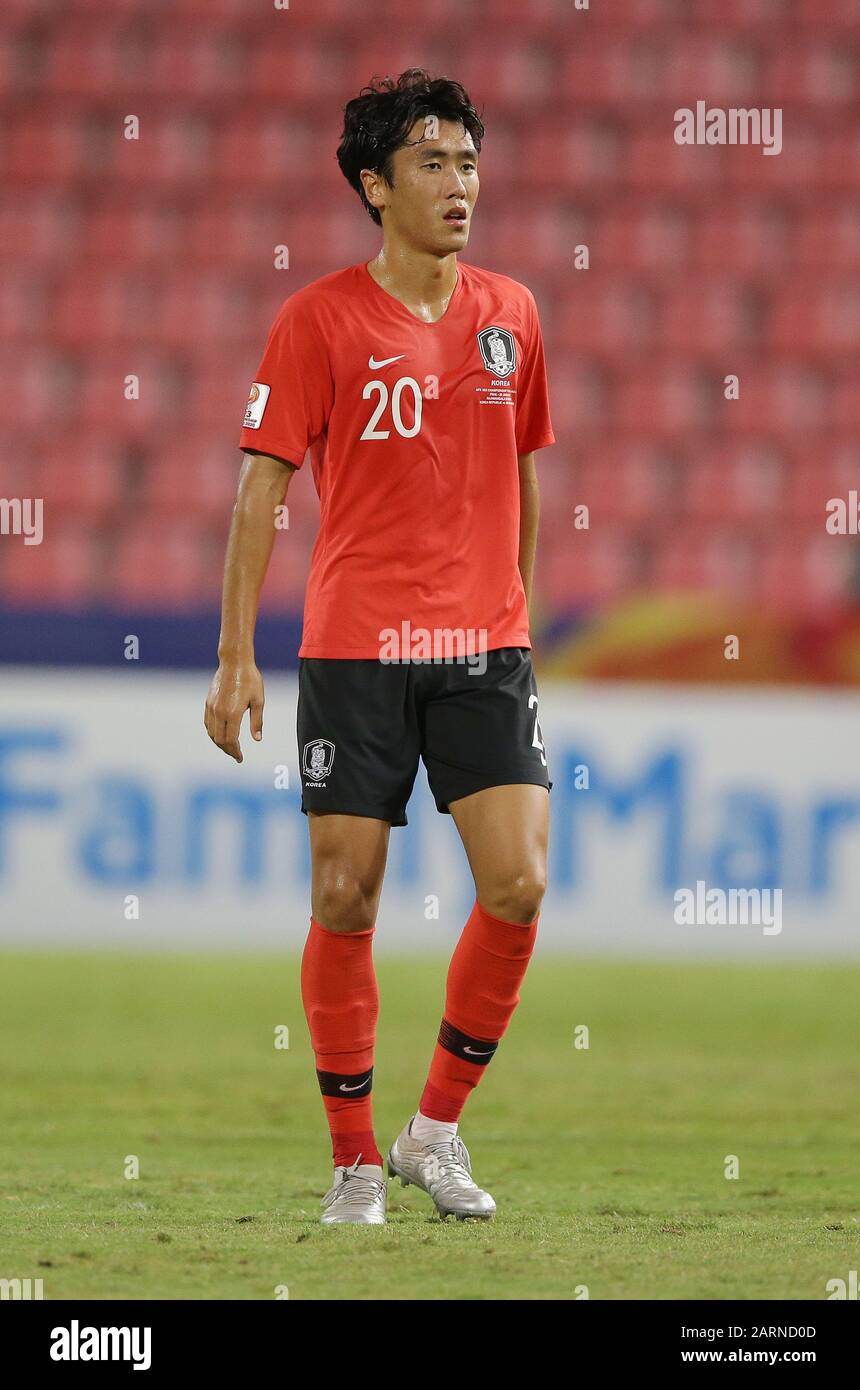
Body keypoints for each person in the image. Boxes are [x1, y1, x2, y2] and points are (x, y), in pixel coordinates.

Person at [205, 68, 556, 1225]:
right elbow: (261, 492)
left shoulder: (512, 312)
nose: (458, 184)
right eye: (429, 163)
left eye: (466, 160)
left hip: (482, 647)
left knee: (516, 882)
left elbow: (522, 474)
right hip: (355, 646)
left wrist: (522, 617)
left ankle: (431, 1134)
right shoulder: (314, 318)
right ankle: (355, 1159)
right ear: (373, 184)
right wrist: (235, 654)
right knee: (347, 896)